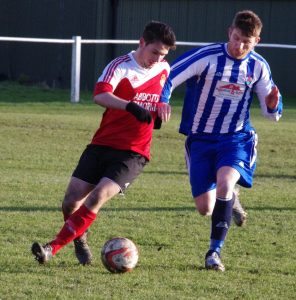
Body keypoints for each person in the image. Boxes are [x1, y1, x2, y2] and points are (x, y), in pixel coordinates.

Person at [31, 21, 176, 265]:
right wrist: (130, 106)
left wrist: (163, 105)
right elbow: (99, 94)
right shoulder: (120, 66)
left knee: (97, 196)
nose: (158, 59)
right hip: (103, 144)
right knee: (70, 202)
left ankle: (50, 249)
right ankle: (79, 237)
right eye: (154, 52)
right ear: (142, 42)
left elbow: (164, 89)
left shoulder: (163, 68)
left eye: (163, 55)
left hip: (134, 152)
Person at [160, 10, 282, 271]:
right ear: (229, 32)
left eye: (246, 43)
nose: (239, 46)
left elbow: (271, 113)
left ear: (256, 42)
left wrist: (273, 104)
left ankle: (214, 253)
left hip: (236, 138)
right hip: (201, 139)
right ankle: (231, 197)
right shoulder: (207, 57)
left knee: (225, 182)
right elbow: (169, 75)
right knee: (205, 208)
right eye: (236, 38)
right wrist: (162, 99)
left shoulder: (258, 66)